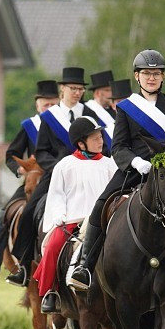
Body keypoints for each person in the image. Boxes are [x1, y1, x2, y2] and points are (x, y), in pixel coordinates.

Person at [68, 49, 165, 306]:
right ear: (137, 77)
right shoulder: (127, 108)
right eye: (146, 73)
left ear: (163, 77)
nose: (151, 78)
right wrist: (136, 162)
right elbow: (118, 147)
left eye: (156, 73)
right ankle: (85, 266)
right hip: (136, 170)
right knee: (100, 206)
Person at [6, 67, 97, 286]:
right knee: (28, 213)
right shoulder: (49, 118)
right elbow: (42, 150)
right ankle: (24, 266)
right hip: (57, 173)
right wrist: (59, 166)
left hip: (89, 173)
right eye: (72, 88)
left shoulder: (90, 115)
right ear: (62, 89)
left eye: (80, 89)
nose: (77, 93)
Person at [0, 79, 58, 283]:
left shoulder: (64, 125)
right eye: (46, 104)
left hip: (61, 180)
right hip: (34, 181)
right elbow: (11, 154)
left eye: (53, 103)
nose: (49, 107)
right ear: (38, 105)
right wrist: (20, 169)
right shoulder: (30, 127)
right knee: (4, 215)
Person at [33, 117, 117, 314]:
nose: (100, 141)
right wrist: (59, 216)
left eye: (101, 136)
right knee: (52, 246)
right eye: (95, 138)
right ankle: (51, 293)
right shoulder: (64, 165)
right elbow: (56, 194)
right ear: (81, 143)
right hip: (73, 221)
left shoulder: (110, 164)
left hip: (103, 221)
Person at [84, 69, 115, 152]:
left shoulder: (115, 111)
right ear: (97, 93)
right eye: (108, 90)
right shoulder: (87, 111)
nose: (112, 93)